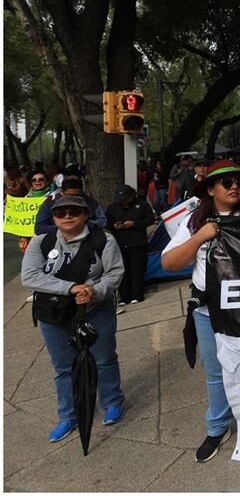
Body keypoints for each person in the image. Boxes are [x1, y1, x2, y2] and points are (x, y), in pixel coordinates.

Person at [161, 160, 240, 462]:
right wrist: (200, 237)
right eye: (226, 182)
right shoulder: (195, 221)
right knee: (216, 371)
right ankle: (217, 427)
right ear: (211, 189)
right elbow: (169, 263)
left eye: (239, 182)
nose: (234, 187)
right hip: (209, 311)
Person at [20, 195, 126, 443]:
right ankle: (68, 415)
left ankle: (112, 401)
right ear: (53, 217)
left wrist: (94, 291)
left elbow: (114, 273)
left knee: (104, 358)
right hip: (53, 314)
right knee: (63, 367)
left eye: (74, 211)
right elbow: (30, 276)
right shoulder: (41, 241)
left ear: (86, 214)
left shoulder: (103, 239)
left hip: (95, 310)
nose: (67, 216)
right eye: (60, 212)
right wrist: (70, 288)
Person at [105, 185, 156, 305]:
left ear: (132, 196)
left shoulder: (142, 205)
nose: (123, 202)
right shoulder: (113, 207)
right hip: (120, 243)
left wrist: (134, 224)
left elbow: (150, 219)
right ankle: (124, 297)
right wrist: (114, 225)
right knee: (123, 270)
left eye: (126, 199)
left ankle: (137, 294)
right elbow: (107, 222)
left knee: (137, 269)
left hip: (137, 242)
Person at [34, 176, 108, 235]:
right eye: (70, 196)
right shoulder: (49, 203)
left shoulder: (90, 201)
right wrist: (65, 227)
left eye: (77, 195)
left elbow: (103, 221)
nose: (74, 199)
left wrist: (84, 224)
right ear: (62, 193)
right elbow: (39, 228)